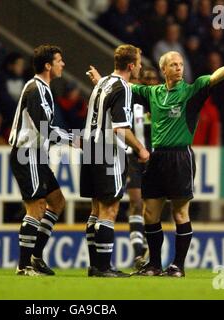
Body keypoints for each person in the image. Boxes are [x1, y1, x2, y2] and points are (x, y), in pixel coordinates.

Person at [88, 51, 224, 277]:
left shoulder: (192, 90)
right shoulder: (152, 92)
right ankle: (154, 264)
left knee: (180, 213)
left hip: (180, 158)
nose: (178, 68)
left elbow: (215, 77)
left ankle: (178, 266)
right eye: (173, 64)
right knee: (150, 213)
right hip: (156, 158)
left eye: (181, 64)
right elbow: (123, 86)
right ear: (163, 69)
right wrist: (102, 83)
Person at [82, 44, 150, 277]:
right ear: (131, 66)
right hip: (107, 149)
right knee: (109, 209)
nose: (140, 66)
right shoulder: (123, 87)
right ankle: (103, 267)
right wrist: (141, 148)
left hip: (90, 147)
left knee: (95, 209)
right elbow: (121, 128)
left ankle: (95, 265)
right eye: (139, 62)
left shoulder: (103, 82)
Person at [9, 45, 77, 276]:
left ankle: (35, 256)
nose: (63, 64)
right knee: (36, 208)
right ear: (48, 65)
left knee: (57, 202)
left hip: (36, 155)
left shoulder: (44, 89)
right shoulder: (37, 89)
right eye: (60, 60)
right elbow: (45, 129)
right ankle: (23, 265)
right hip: (26, 153)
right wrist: (73, 139)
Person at [126, 67, 159, 269]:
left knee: (152, 209)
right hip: (134, 159)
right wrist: (137, 149)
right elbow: (124, 128)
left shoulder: (160, 103)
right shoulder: (131, 103)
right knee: (136, 203)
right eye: (146, 79)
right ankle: (138, 254)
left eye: (153, 79)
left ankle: (147, 249)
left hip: (156, 160)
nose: (150, 82)